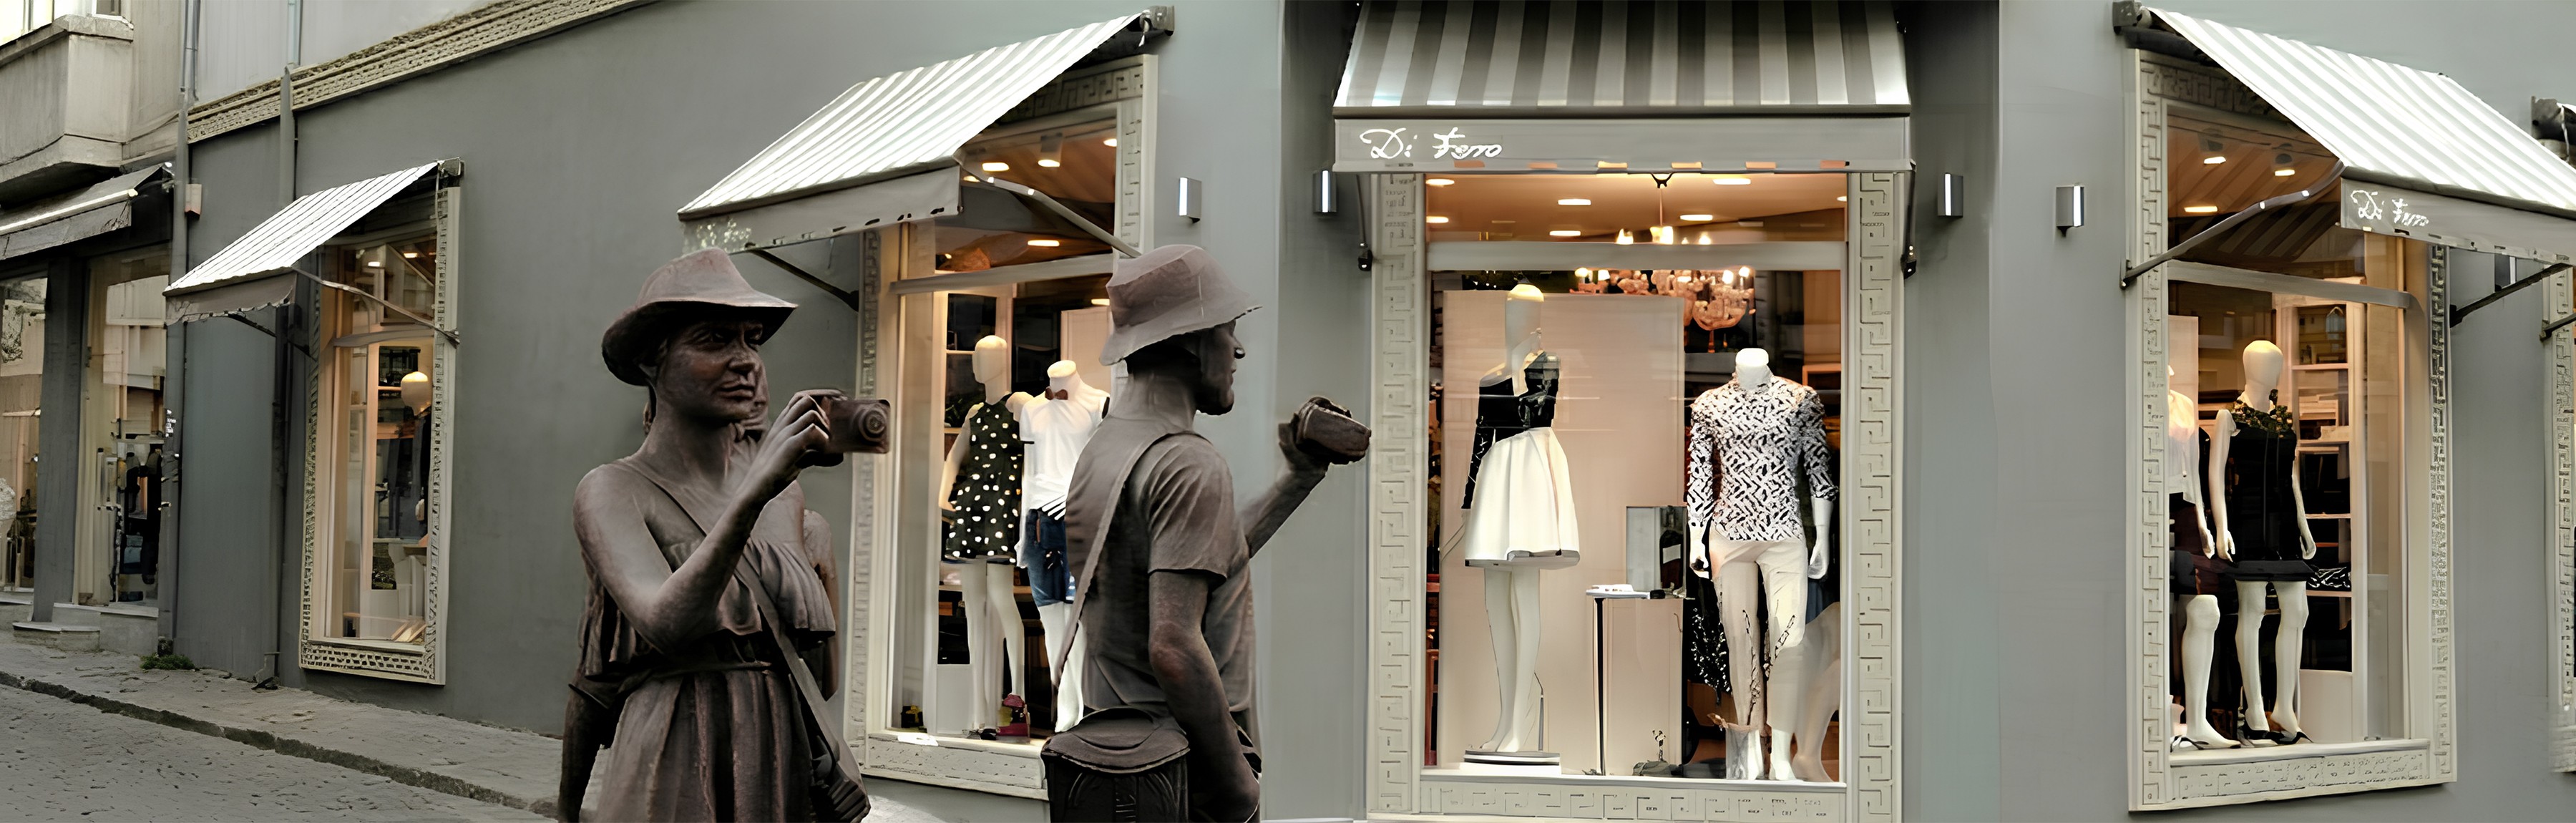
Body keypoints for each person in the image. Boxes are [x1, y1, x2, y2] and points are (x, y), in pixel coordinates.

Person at [1053, 245, 1342, 821]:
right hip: (1188, 778)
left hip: (1120, 759)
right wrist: (1238, 787)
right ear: (1190, 341)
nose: (1235, 350)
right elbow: (1174, 646)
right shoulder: (1188, 463)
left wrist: (1297, 480)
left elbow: (1201, 559)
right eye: (1226, 332)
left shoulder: (1108, 448)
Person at [565, 249, 850, 822]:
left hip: (776, 762)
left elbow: (821, 680)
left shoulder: (786, 500)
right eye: (715, 339)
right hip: (672, 757)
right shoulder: (614, 491)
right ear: (652, 360)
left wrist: (821, 564)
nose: (745, 360)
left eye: (752, 339)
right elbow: (665, 626)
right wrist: (753, 496)